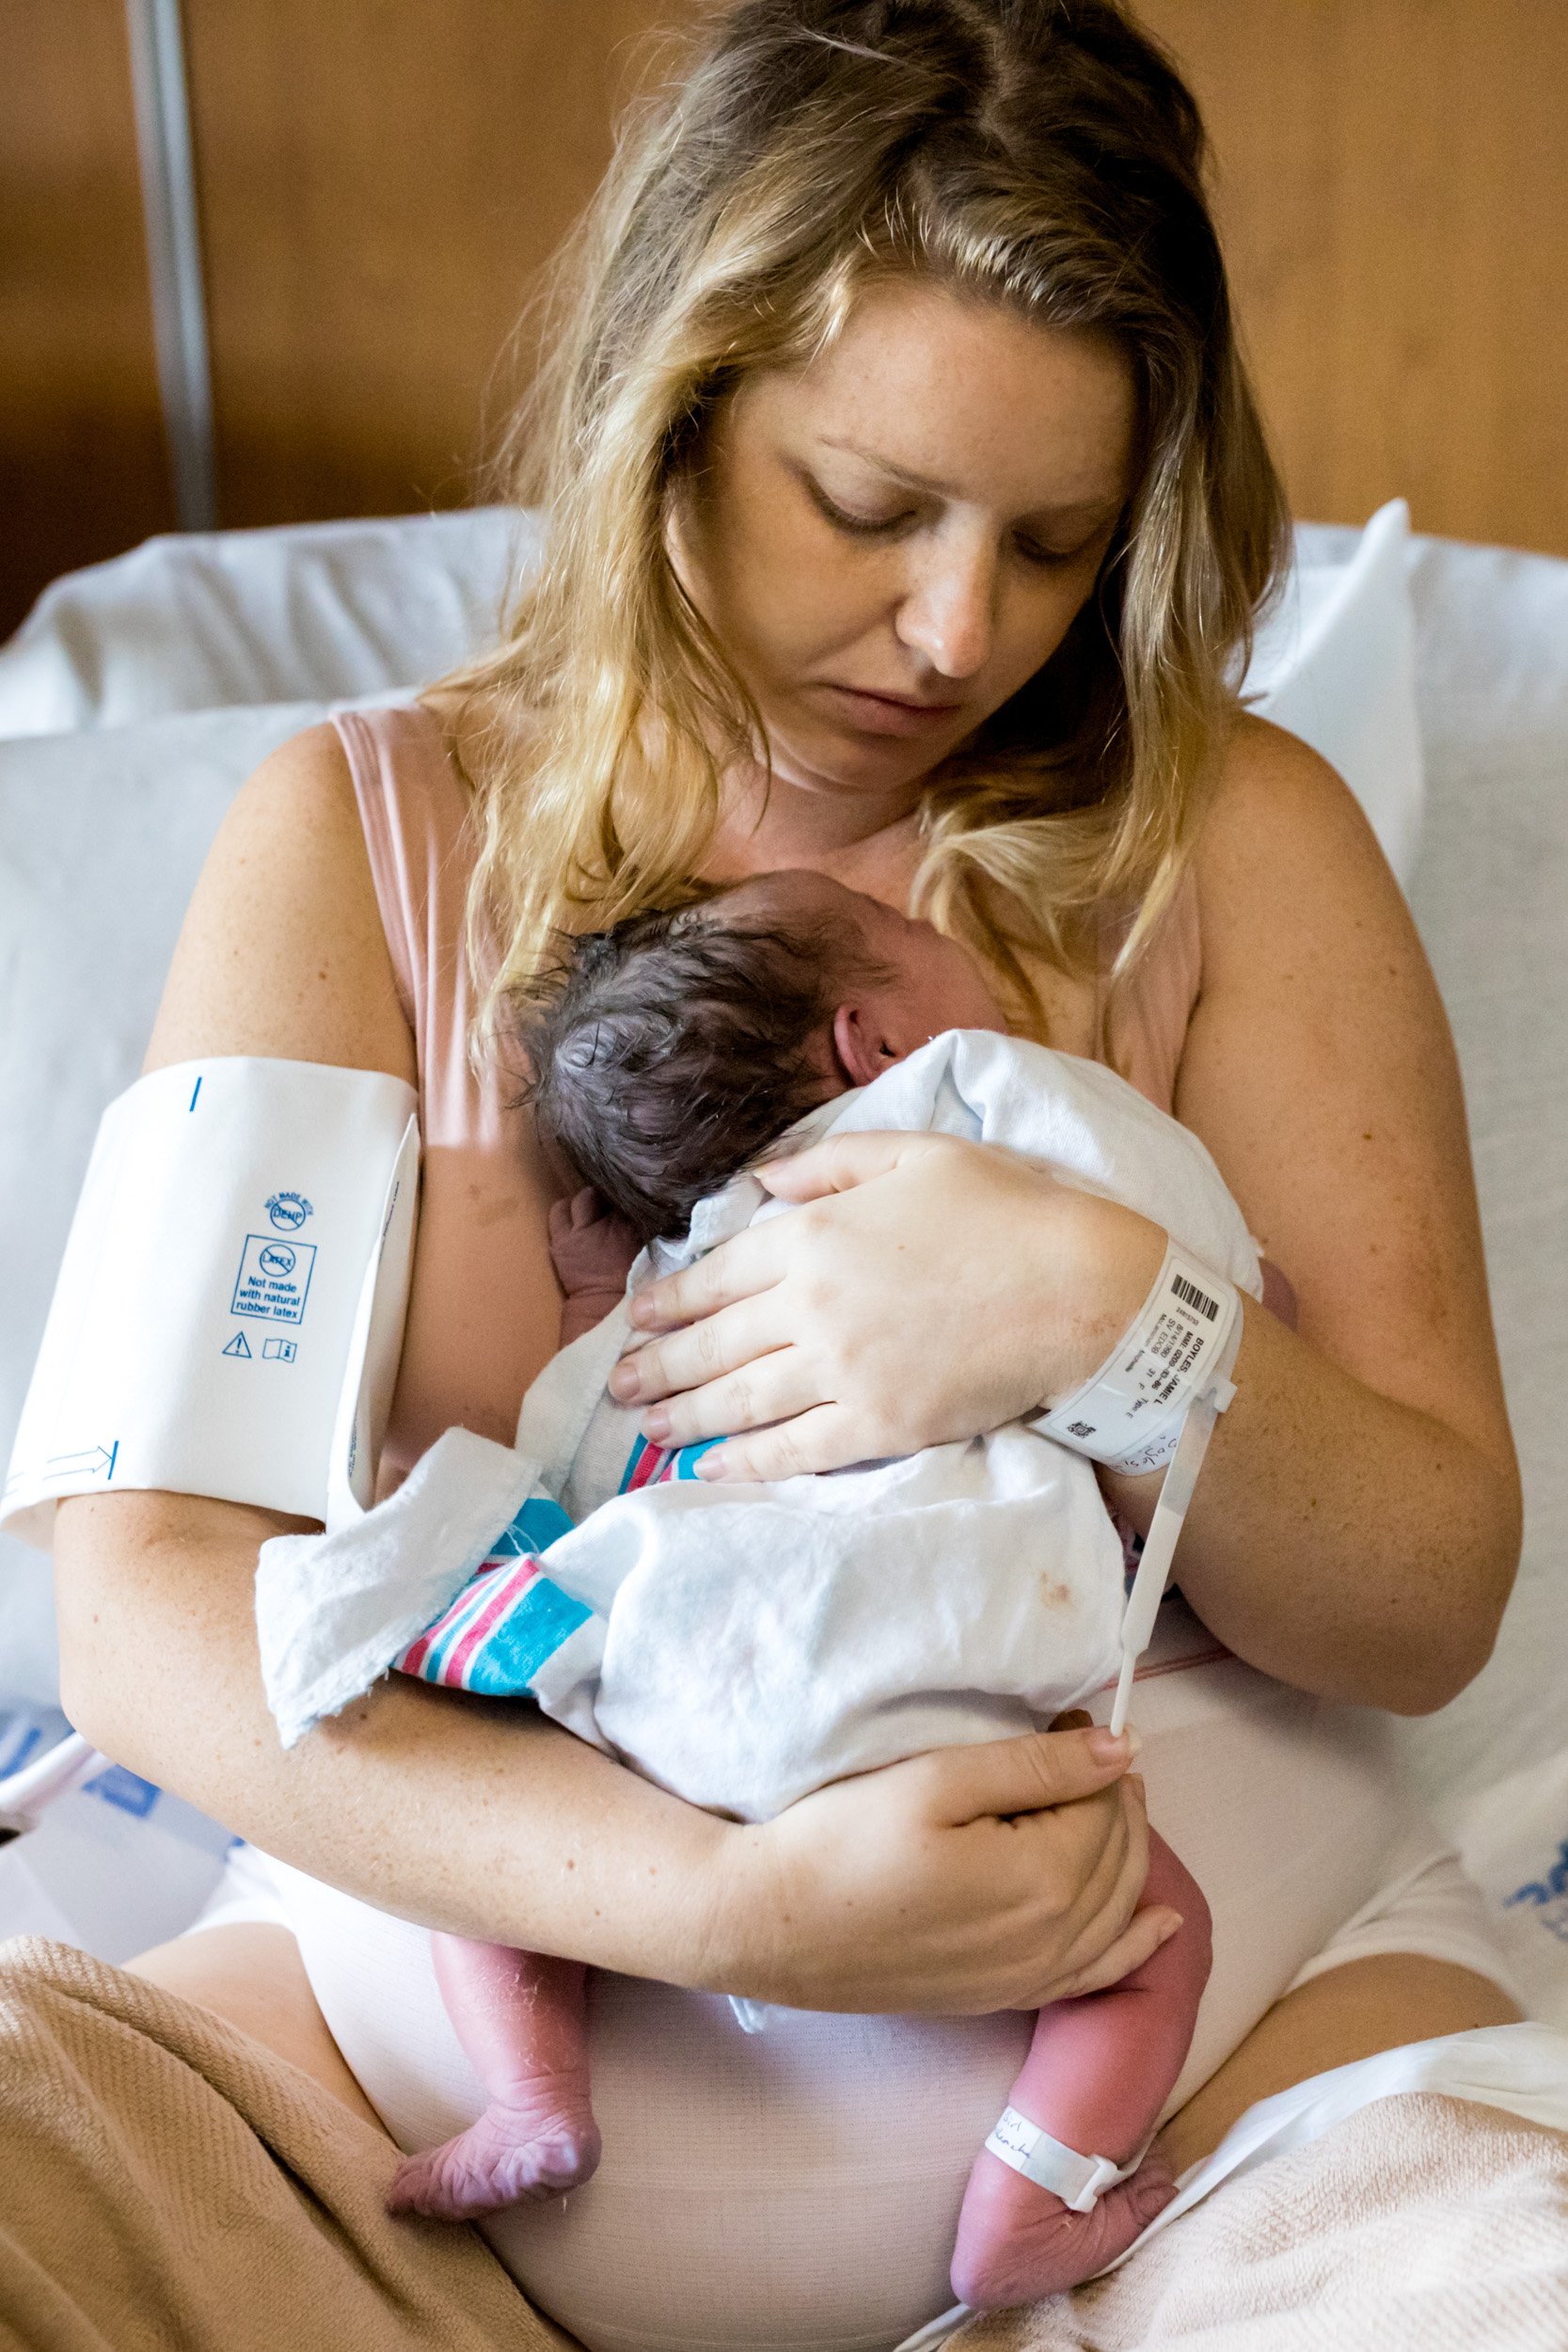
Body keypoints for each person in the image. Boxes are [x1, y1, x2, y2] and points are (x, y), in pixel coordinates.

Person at [47, 3, 1522, 2347]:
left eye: (1057, 541)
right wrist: (714, 1907)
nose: (959, 630)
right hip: (393, 2108)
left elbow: (1435, 1588)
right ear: (675, 406)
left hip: (1220, 2105)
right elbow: (136, 1596)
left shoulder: (1228, 839)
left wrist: (1106, 1314)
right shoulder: (361, 847)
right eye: (871, 506)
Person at [276, 871, 1249, 2303]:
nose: (976, 982)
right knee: (1153, 1937)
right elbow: (1171, 1247)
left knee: (481, 1843)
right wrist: (1235, 1293)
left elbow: (576, 1434)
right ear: (869, 1044)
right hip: (912, 1675)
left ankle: (532, 2092)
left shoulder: (667, 1269)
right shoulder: (981, 1097)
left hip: (669, 1662)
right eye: (938, 953)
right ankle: (1030, 2206)